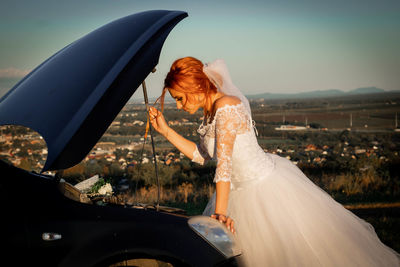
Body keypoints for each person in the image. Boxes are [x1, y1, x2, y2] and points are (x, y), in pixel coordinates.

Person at [149, 56, 400, 266]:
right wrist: (166, 131)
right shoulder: (211, 113)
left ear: (195, 87)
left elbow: (223, 166)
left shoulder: (225, 107)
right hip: (236, 192)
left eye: (180, 98)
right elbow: (202, 156)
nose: (179, 106)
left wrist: (220, 215)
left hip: (263, 191)